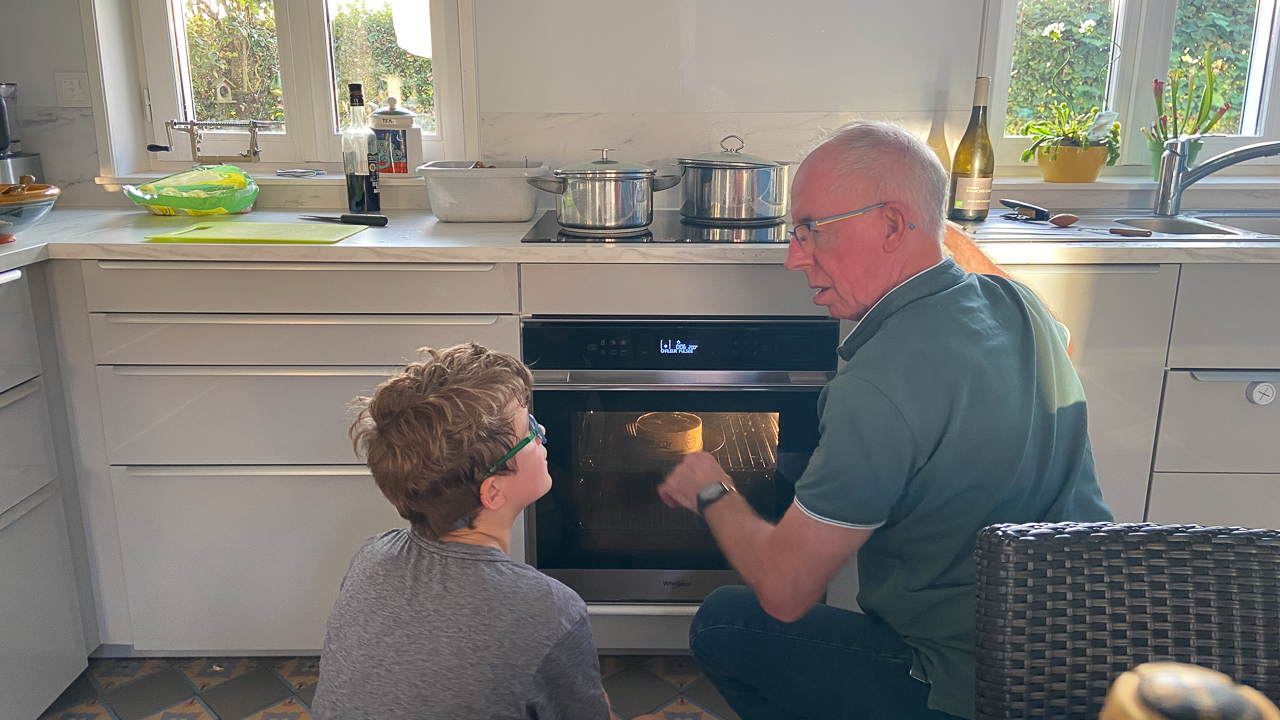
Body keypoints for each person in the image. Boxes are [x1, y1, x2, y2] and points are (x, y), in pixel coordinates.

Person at [658, 121, 1113, 720]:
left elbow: (785, 592)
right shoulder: (1019, 304)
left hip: (969, 686)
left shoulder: (875, 390)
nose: (794, 257)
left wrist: (712, 488)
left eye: (812, 231)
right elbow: (1037, 323)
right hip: (1096, 656)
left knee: (724, 622)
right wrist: (933, 232)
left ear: (894, 225)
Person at [312, 343, 617, 720]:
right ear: (493, 492)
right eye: (528, 431)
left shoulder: (371, 555)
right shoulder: (550, 610)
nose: (542, 433)